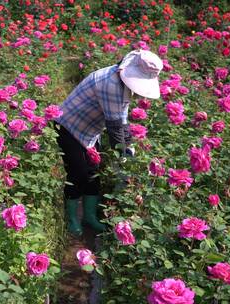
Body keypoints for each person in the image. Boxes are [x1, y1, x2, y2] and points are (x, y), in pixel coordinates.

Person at [55, 50, 163, 237]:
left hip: (89, 132)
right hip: (69, 126)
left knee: (93, 173)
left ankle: (89, 217)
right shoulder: (111, 84)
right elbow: (115, 128)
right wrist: (124, 161)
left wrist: (129, 148)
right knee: (78, 173)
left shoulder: (121, 80)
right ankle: (71, 219)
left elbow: (123, 120)